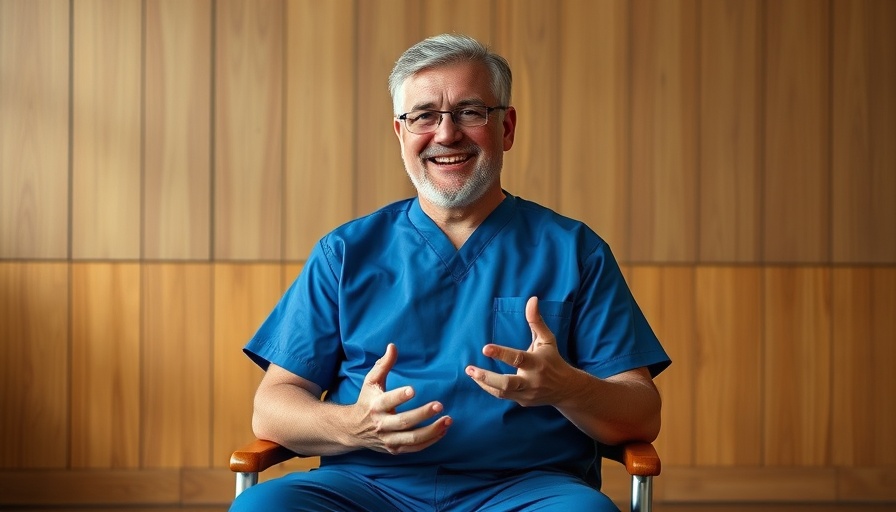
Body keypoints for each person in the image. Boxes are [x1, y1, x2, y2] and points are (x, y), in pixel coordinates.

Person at [230, 33, 670, 512]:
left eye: (470, 111)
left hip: (528, 491)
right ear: (401, 133)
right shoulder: (345, 253)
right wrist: (353, 425)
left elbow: (642, 413)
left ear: (506, 127)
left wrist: (568, 388)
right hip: (365, 487)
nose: (446, 134)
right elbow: (272, 406)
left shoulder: (575, 251)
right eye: (424, 116)